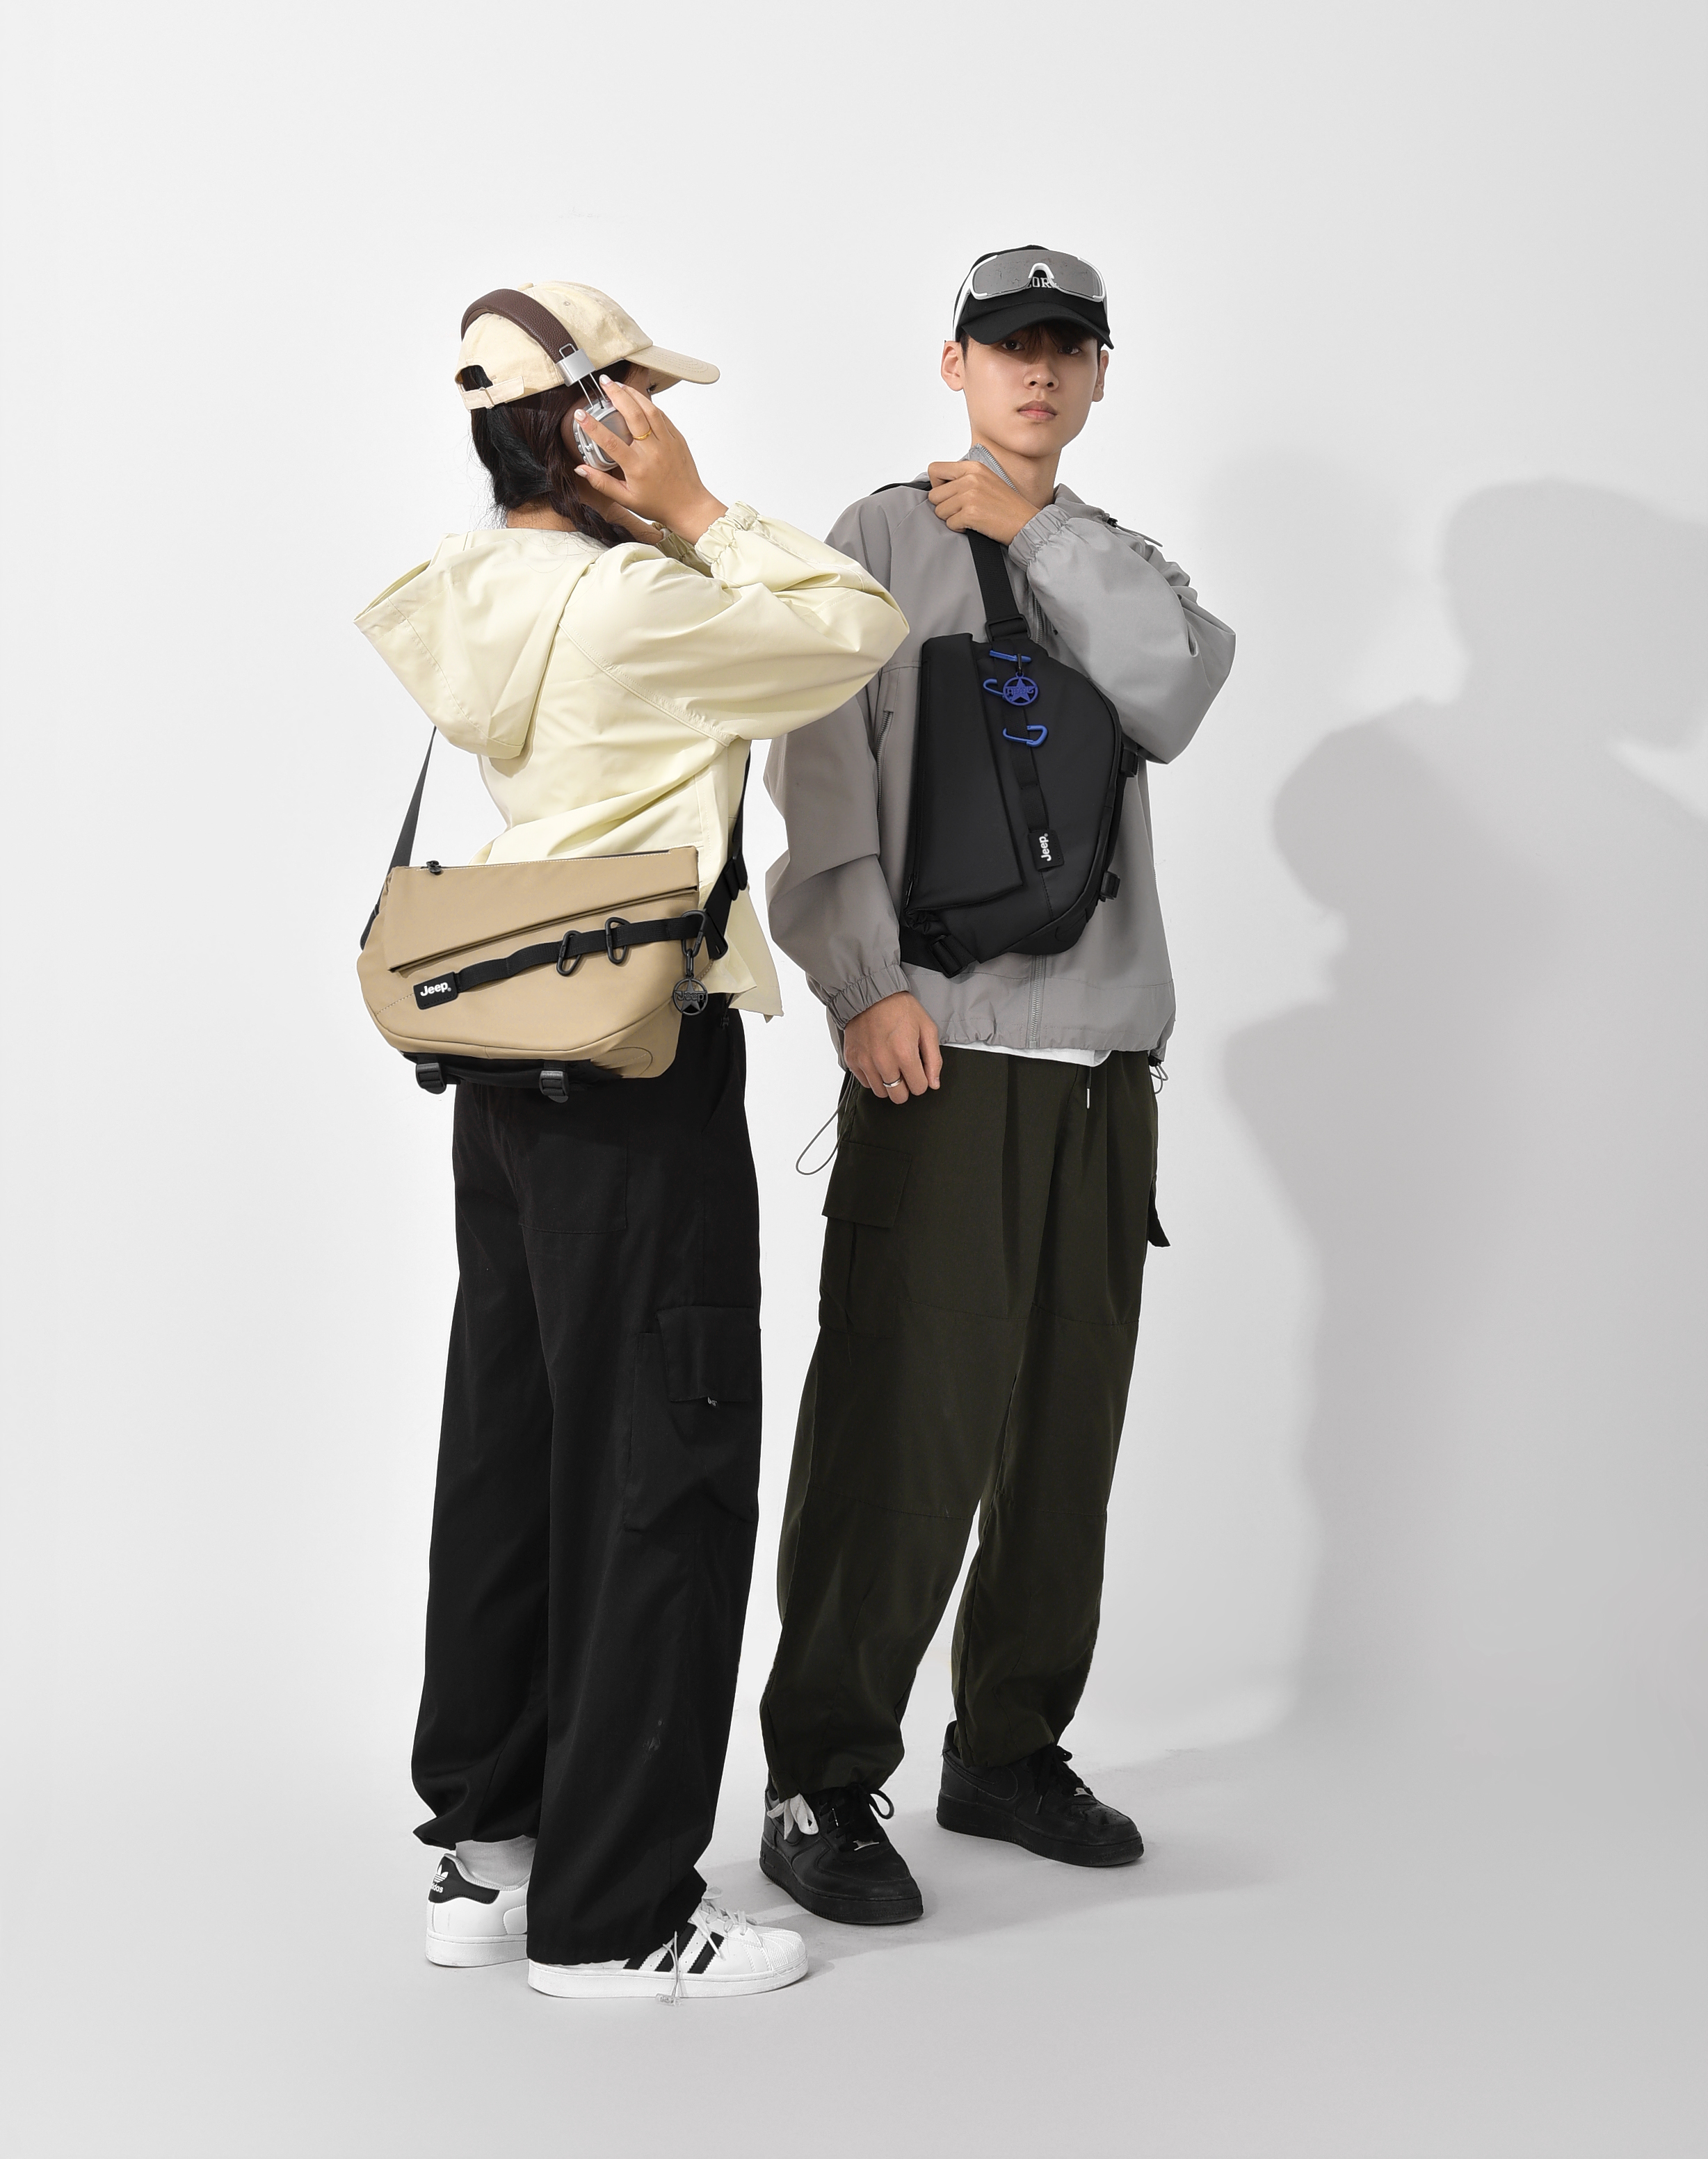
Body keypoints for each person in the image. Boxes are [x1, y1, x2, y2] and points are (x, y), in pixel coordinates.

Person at [355, 280, 905, 1996]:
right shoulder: (641, 603)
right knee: (665, 1458)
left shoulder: (477, 588)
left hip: (502, 1051)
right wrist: (697, 508)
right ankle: (615, 1914)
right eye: (643, 400)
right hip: (635, 1051)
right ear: (594, 420)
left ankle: (492, 1844)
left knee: (511, 1438)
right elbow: (857, 626)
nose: (667, 421)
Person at [757, 247, 1235, 1923]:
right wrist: (863, 982)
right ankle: (823, 1775)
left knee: (1061, 1435)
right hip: (943, 1046)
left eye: (1066, 347)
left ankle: (1008, 1747)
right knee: (900, 1428)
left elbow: (1174, 689)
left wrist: (1033, 530)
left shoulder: (1110, 554)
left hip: (1100, 1063)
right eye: (1007, 344)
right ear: (952, 362)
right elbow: (819, 776)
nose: (1037, 371)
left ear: (1098, 373)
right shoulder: (878, 539)